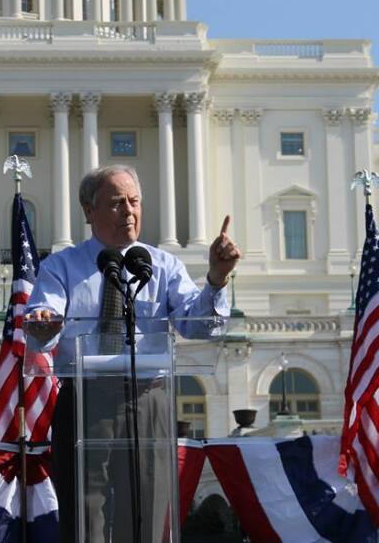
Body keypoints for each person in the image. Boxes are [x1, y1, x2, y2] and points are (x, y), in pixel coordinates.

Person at [24, 165, 240, 543]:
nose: (129, 211)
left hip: (148, 397)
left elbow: (198, 325)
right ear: (88, 211)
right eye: (116, 203)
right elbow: (43, 318)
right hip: (86, 400)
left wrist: (217, 278)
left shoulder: (163, 265)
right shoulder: (61, 266)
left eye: (134, 201)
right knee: (83, 512)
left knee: (148, 506)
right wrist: (42, 323)